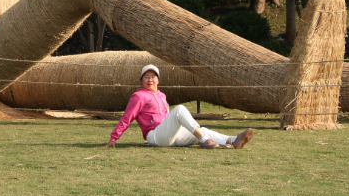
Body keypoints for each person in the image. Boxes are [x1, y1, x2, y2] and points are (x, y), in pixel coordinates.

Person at [106, 64, 254, 150]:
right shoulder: (139, 96)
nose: (150, 79)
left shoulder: (162, 96)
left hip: (169, 136)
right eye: (146, 77)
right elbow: (127, 117)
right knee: (180, 109)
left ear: (158, 80)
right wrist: (113, 138)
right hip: (155, 136)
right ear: (141, 80)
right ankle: (204, 141)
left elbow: (166, 119)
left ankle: (233, 140)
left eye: (153, 77)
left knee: (202, 130)